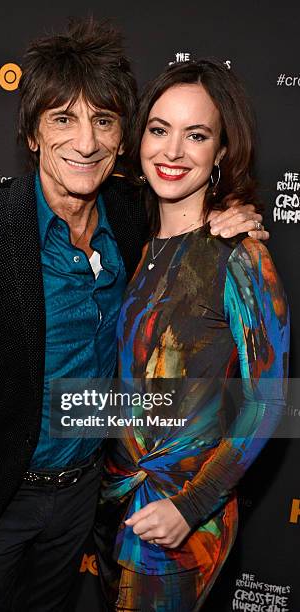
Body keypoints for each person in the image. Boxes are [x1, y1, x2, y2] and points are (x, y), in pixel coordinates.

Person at [0, 19, 267, 612]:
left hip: (89, 498)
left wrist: (238, 214)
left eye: (103, 120)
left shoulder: (132, 212)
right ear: (32, 133)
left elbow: (192, 206)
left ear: (123, 137)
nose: (87, 142)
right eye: (63, 119)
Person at [95, 59, 290, 612]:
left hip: (178, 522)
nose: (173, 151)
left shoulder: (240, 255)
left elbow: (270, 401)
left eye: (196, 135)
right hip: (113, 506)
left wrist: (190, 506)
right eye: (159, 130)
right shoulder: (130, 240)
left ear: (222, 150)